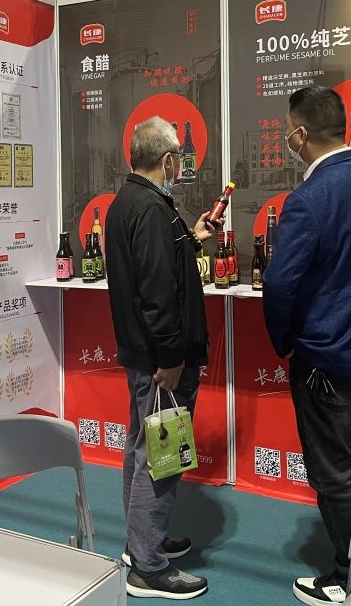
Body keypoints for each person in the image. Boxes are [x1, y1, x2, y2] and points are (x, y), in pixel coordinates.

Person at [262, 87, 351, 606]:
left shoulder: (308, 198)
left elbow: (280, 284)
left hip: (326, 356)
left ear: (300, 134)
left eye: (288, 132)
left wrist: (283, 342)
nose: (288, 140)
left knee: (336, 474)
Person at [105, 116, 216, 600]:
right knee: (161, 456)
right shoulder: (150, 208)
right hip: (161, 360)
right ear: (169, 160)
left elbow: (155, 266)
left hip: (143, 354)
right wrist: (171, 357)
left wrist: (191, 237)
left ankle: (142, 543)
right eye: (179, 161)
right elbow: (156, 293)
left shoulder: (131, 202)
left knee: (141, 447)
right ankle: (148, 567)